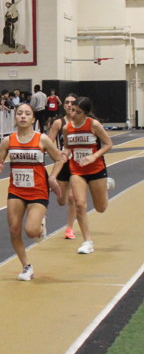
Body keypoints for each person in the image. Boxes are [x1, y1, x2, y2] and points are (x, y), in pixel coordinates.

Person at [0, 104, 65, 280]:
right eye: (19, 113)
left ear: (33, 119)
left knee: (31, 231)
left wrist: (52, 177)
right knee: (14, 229)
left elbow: (60, 159)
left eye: (27, 114)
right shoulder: (8, 141)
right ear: (15, 118)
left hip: (38, 191)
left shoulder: (42, 139)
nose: (23, 116)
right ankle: (26, 266)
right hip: (16, 190)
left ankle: (40, 224)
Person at [63, 96, 115, 254]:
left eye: (78, 112)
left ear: (85, 113)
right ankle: (87, 242)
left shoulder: (93, 124)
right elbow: (67, 147)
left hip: (96, 169)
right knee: (79, 204)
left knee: (101, 208)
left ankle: (105, 186)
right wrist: (63, 154)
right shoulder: (67, 128)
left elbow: (108, 144)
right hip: (77, 170)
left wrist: (94, 156)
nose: (73, 114)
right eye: (72, 110)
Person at [47, 93, 79, 240]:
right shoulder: (58, 123)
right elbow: (48, 143)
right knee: (61, 201)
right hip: (63, 163)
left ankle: (69, 228)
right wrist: (57, 153)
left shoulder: (82, 122)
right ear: (64, 105)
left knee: (72, 197)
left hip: (78, 164)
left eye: (72, 102)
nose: (69, 105)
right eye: (67, 102)